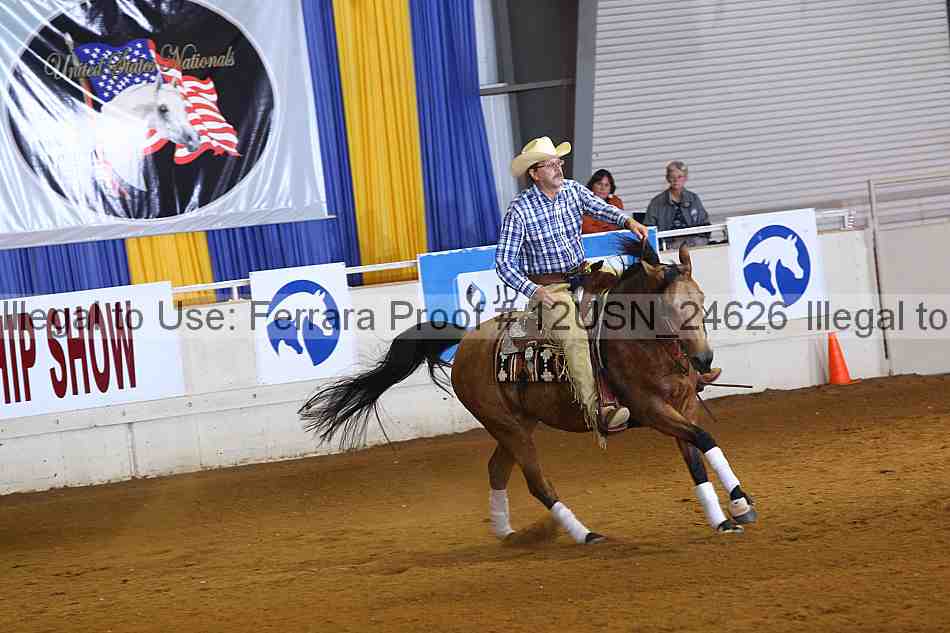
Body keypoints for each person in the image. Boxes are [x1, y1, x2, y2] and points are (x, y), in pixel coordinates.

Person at [495, 136, 649, 437]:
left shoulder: (573, 190)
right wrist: (534, 291)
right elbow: (503, 262)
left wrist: (628, 222)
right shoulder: (520, 210)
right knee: (575, 337)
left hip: (584, 274)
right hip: (549, 287)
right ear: (534, 173)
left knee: (631, 301)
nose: (558, 168)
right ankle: (598, 409)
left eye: (558, 162)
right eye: (550, 165)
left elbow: (601, 209)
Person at [644, 160, 710, 249]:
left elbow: (705, 225)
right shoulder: (656, 202)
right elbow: (648, 230)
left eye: (680, 176)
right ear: (667, 178)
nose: (676, 180)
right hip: (668, 245)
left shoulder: (694, 199)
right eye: (672, 177)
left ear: (685, 178)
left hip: (693, 243)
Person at [582, 169, 624, 234]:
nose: (603, 188)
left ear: (611, 188)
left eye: (606, 185)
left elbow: (620, 224)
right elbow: (587, 229)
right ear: (592, 185)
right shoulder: (584, 203)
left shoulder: (616, 201)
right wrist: (610, 225)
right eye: (599, 184)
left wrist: (601, 225)